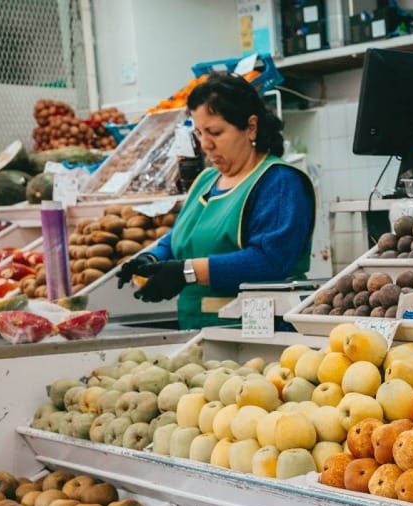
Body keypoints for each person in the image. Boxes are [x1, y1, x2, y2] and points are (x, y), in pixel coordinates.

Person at [116, 73, 315, 329]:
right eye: (199, 133)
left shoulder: (279, 181)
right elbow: (183, 238)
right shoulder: (207, 179)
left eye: (215, 132)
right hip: (197, 330)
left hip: (257, 333)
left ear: (250, 127)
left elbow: (271, 260)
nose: (205, 145)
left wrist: (187, 272)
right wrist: (152, 259)